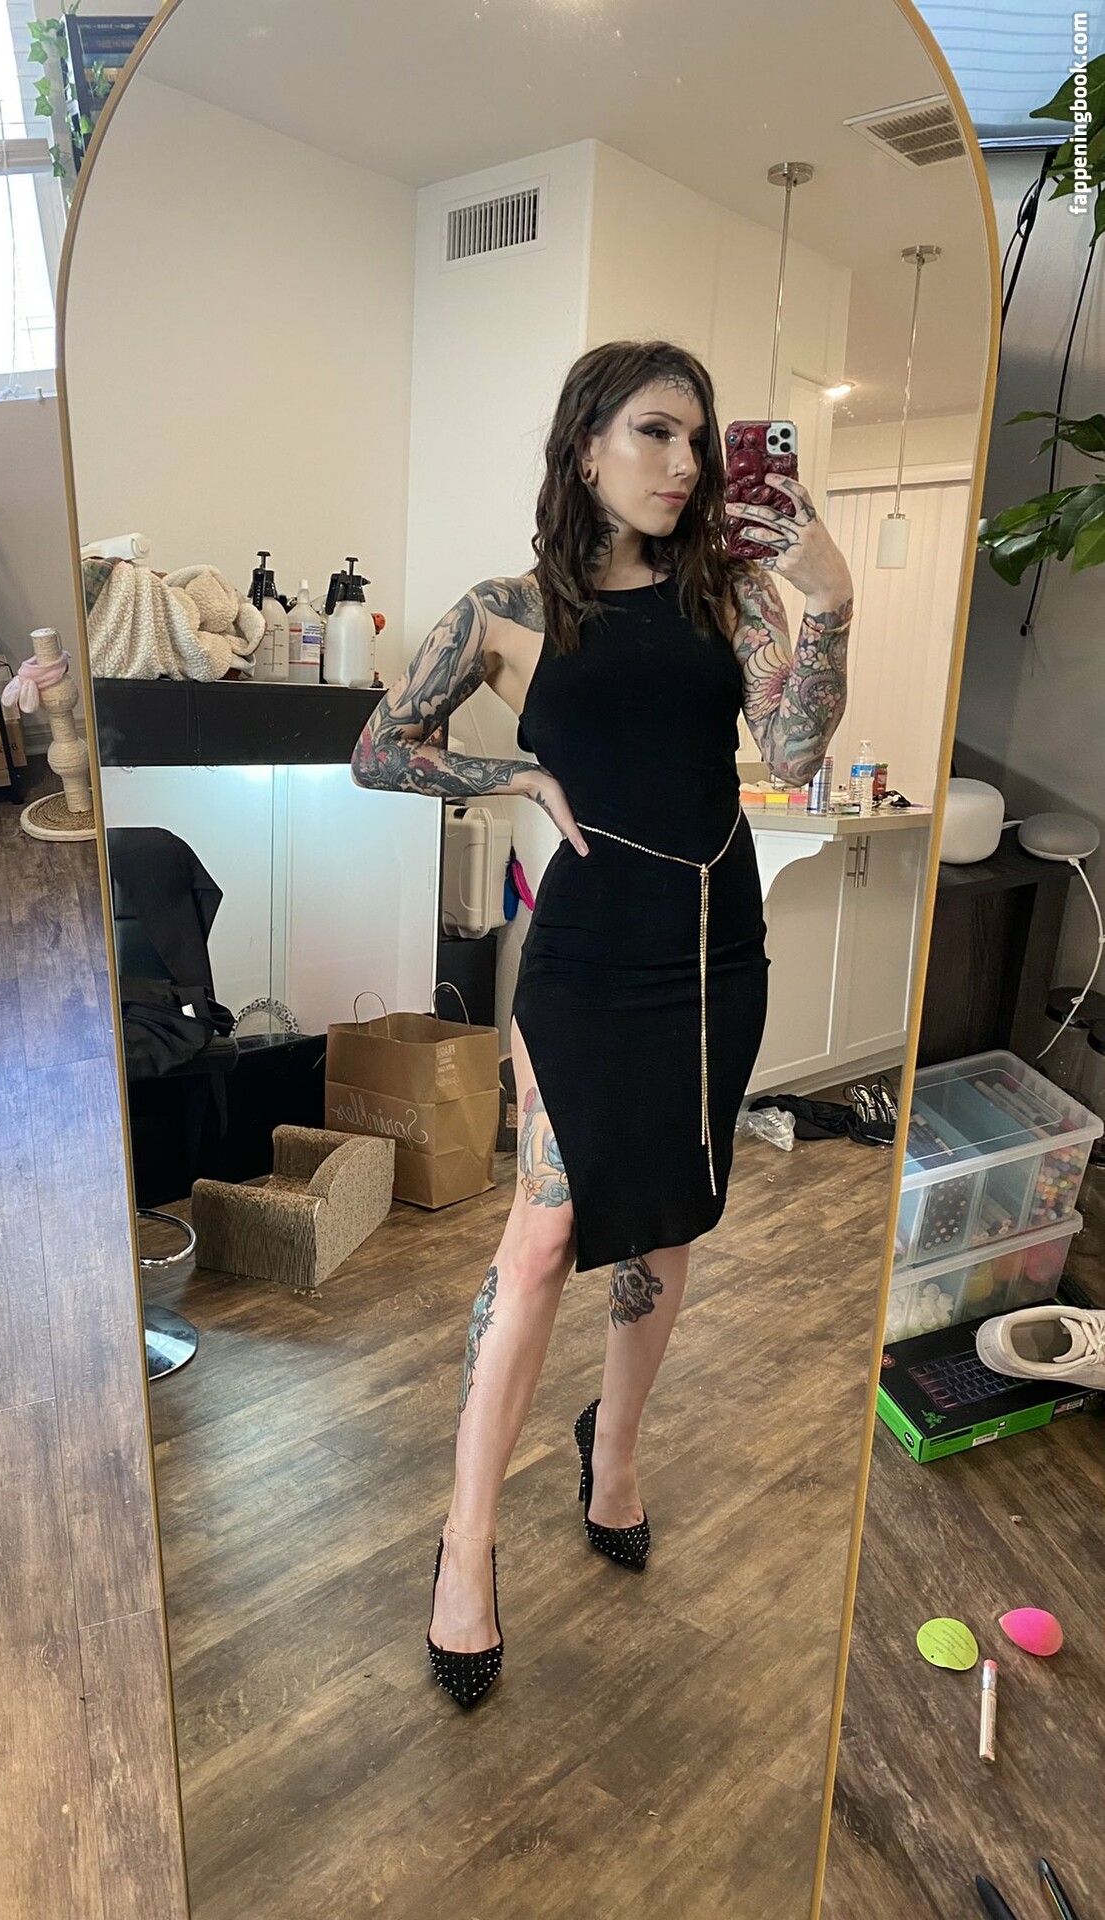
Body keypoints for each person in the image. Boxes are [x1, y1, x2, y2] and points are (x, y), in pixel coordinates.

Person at [351, 339, 853, 1708]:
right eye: (653, 432)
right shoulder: (506, 612)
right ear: (586, 448)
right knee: (545, 1232)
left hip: (714, 946)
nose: (683, 463)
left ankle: (613, 1446)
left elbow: (794, 753)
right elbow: (380, 748)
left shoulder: (732, 596)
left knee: (671, 1219)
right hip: (584, 955)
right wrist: (516, 773)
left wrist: (830, 600)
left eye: (697, 438)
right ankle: (466, 1542)